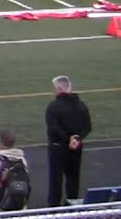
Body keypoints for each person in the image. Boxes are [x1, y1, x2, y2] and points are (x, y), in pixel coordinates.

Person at [45, 75, 91, 206]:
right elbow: (87, 127)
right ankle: (72, 209)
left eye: (54, 88)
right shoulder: (81, 105)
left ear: (59, 88)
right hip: (75, 148)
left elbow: (53, 128)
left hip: (58, 148)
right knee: (73, 180)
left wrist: (67, 138)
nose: (53, 91)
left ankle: (53, 211)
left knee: (55, 182)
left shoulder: (53, 106)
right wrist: (76, 138)